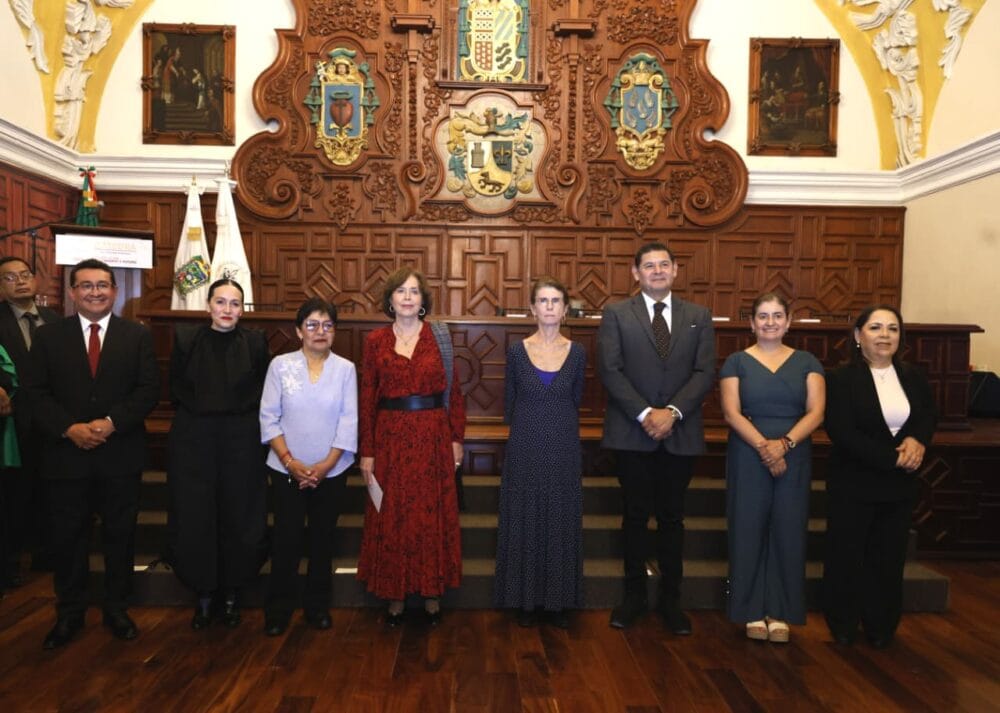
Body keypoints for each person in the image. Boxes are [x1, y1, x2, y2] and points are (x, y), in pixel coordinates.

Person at [25, 258, 159, 649]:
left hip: (120, 454)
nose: (95, 292)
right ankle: (69, 613)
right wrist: (70, 428)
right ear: (72, 292)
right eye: (86, 285)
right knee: (68, 539)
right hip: (65, 457)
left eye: (102, 285)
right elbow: (34, 393)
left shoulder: (136, 336)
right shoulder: (50, 337)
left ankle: (117, 608)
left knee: (121, 536)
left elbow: (148, 390)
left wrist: (112, 423)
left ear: (115, 291)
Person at [597, 242, 715, 633]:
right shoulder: (616, 314)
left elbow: (703, 372)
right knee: (634, 517)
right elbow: (610, 370)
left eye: (665, 264)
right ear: (636, 273)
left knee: (672, 519)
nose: (658, 271)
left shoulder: (698, 316)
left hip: (680, 433)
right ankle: (633, 598)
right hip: (632, 432)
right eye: (649, 266)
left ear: (676, 270)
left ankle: (671, 601)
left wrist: (673, 413)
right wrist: (647, 413)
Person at [357, 267, 466, 627]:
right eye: (400, 291)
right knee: (393, 514)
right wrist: (367, 450)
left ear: (423, 301)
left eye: (414, 292)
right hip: (389, 438)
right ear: (390, 299)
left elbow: (455, 392)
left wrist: (455, 438)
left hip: (433, 435)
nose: (407, 297)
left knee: (430, 514)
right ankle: (395, 595)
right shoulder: (374, 341)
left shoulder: (440, 337)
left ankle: (431, 592)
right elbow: (367, 397)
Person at [823, 305, 937, 649]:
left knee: (888, 558)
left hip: (898, 487)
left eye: (892, 328)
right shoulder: (840, 378)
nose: (885, 335)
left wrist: (918, 441)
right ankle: (842, 623)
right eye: (876, 328)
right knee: (846, 556)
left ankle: (881, 625)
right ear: (858, 336)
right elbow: (842, 431)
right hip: (853, 482)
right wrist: (893, 458)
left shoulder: (913, 377)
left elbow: (927, 415)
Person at [719, 293, 825, 643]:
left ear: (788, 321)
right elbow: (731, 412)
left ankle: (780, 611)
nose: (770, 322)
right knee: (747, 529)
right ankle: (749, 611)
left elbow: (816, 413)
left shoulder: (808, 362)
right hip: (748, 452)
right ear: (751, 323)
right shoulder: (736, 362)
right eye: (762, 316)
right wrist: (766, 447)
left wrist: (785, 445)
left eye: (777, 316)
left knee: (788, 530)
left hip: (794, 453)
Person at [167, 278, 270, 629]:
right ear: (208, 305)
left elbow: (262, 392)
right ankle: (204, 594)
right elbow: (176, 386)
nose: (228, 310)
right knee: (197, 515)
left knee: (239, 514)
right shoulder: (186, 339)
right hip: (194, 440)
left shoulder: (256, 343)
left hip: (241, 440)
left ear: (243, 309)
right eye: (221, 302)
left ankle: (231, 594)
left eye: (235, 303)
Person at [259, 298, 357, 635]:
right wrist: (291, 463)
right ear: (298, 330)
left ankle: (317, 606)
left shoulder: (346, 369)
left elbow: (349, 421)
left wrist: (326, 465)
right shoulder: (279, 366)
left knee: (322, 540)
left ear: (334, 332)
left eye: (327, 325)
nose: (320, 331)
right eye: (312, 325)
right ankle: (279, 609)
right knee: (285, 540)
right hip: (286, 467)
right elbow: (269, 418)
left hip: (332, 470)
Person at [494, 277, 585, 628]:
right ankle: (524, 599)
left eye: (555, 301)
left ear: (565, 309)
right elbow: (509, 402)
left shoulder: (577, 353)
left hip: (563, 445)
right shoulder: (517, 351)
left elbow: (576, 398)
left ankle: (558, 601)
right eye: (542, 301)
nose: (549, 307)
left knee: (561, 516)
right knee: (524, 516)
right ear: (532, 309)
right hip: (525, 445)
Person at [0, 257, 60, 588]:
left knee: (48, 490)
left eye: (25, 275)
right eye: (10, 278)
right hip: (13, 422)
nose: (20, 282)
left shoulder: (54, 321)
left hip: (51, 423)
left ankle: (46, 553)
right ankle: (10, 563)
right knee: (14, 495)